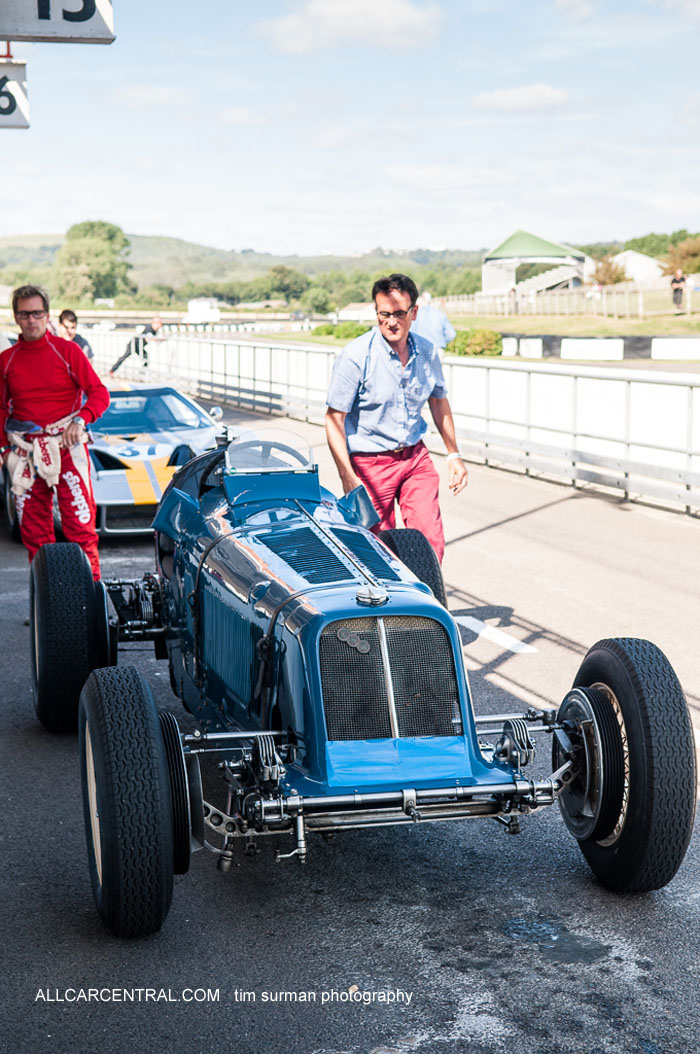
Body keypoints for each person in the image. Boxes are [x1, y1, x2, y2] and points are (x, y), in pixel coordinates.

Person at [325, 273, 468, 563]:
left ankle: (425, 603)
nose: (391, 322)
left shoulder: (426, 352)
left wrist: (454, 454)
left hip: (415, 458)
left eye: (399, 314)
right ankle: (385, 608)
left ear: (414, 313)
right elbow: (333, 419)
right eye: (384, 314)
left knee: (428, 542)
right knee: (376, 548)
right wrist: (347, 475)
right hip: (370, 464)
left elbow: (438, 401)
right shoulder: (356, 356)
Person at [0, 285, 110, 579]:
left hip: (68, 448)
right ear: (16, 317)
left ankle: (92, 603)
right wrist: (1, 448)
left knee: (81, 528)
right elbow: (1, 409)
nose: (31, 320)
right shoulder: (7, 359)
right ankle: (45, 606)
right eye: (24, 314)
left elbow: (99, 393)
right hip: (25, 453)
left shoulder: (68, 351)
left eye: (37, 313)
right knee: (34, 535)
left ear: (47, 315)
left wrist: (82, 420)